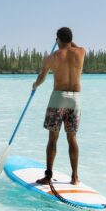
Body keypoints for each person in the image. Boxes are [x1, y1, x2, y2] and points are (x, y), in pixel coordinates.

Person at [32, 27, 86, 185]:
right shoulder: (81, 52)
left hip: (58, 99)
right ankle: (75, 177)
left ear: (58, 40)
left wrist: (35, 85)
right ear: (71, 39)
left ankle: (48, 176)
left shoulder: (52, 57)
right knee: (72, 138)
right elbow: (73, 46)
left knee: (52, 138)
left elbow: (42, 77)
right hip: (75, 99)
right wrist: (66, 41)